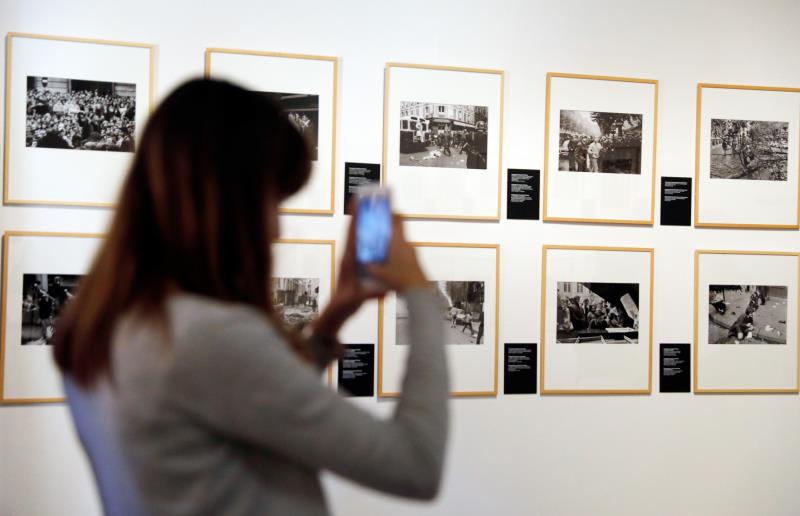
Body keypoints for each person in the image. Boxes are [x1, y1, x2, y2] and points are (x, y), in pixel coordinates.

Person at [53, 79, 449, 516]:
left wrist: (330, 321)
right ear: (227, 202)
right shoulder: (204, 336)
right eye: (271, 202)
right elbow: (415, 465)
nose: (276, 229)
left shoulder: (105, 321)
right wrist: (422, 292)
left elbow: (246, 403)